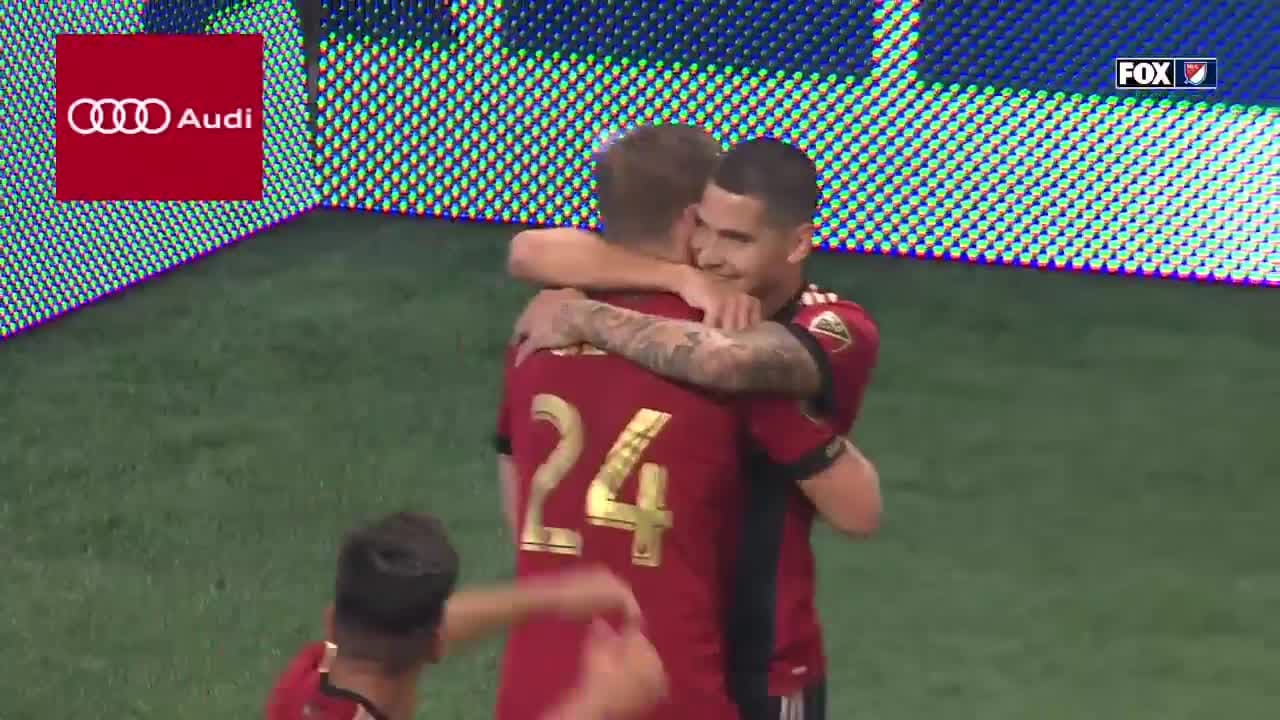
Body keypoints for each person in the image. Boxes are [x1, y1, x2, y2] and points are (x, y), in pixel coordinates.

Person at [493, 125, 878, 720]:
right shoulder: (678, 307)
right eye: (708, 230)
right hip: (715, 658)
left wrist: (583, 316)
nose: (715, 254)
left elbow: (725, 362)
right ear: (691, 220)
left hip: (628, 660)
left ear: (796, 242)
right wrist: (676, 281)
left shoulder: (829, 327)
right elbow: (529, 250)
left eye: (736, 237)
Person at [265, 511, 666, 720]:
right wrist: (600, 704)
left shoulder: (304, 682)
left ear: (332, 622)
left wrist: (555, 596)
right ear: (435, 644)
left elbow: (411, 627)